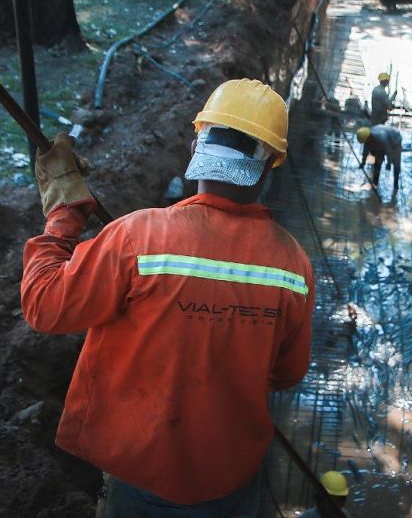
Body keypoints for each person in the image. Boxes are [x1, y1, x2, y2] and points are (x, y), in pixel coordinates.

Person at [21, 78, 315, 517]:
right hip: (232, 476)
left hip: (143, 473)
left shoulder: (136, 237)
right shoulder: (293, 267)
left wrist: (62, 215)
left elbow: (43, 304)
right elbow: (286, 374)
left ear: (197, 144)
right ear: (271, 161)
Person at [356, 125, 402, 196]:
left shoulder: (382, 138)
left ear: (369, 137)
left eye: (366, 141)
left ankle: (396, 185)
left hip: (395, 140)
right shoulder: (367, 139)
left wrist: (389, 163)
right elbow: (365, 151)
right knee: (377, 162)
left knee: (396, 163)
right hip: (382, 140)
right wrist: (363, 163)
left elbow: (388, 151)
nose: (366, 143)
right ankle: (375, 184)